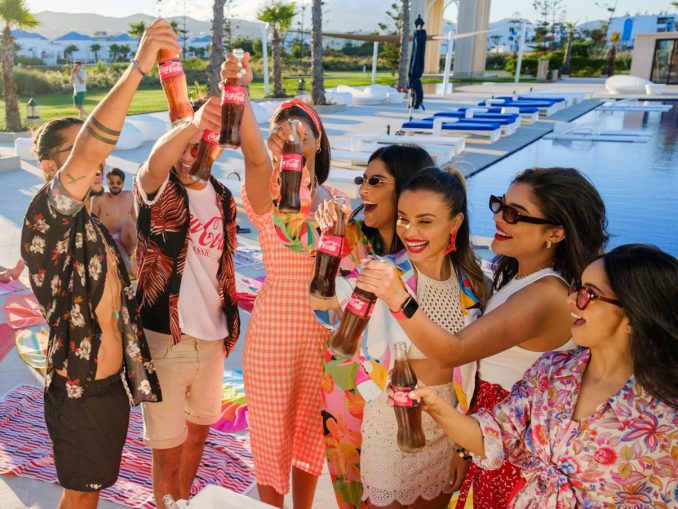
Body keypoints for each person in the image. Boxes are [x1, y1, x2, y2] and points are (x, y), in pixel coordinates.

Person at [357, 167, 608, 508]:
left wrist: (397, 297)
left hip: (511, 442)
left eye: (514, 214)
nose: (499, 218)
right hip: (485, 432)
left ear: (555, 232)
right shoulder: (518, 277)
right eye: (500, 205)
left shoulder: (546, 294)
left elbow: (454, 351)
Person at [20, 20, 175, 509]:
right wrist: (137, 68)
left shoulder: (91, 227)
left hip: (110, 388)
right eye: (78, 153)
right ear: (51, 168)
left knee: (90, 494)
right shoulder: (48, 219)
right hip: (79, 391)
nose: (99, 159)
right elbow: (92, 149)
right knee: (81, 500)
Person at [407, 244, 678, 508]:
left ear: (632, 314)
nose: (571, 299)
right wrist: (432, 403)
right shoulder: (552, 371)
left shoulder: (665, 416)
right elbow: (492, 435)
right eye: (577, 287)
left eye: (589, 294)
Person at [228, 52, 334, 508]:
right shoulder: (266, 192)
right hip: (274, 328)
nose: (292, 139)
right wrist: (241, 90)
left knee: (312, 429)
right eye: (283, 133)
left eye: (301, 134)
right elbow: (252, 154)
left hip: (322, 331)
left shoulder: (336, 200)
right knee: (270, 432)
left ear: (317, 142)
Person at [309, 145, 435, 508]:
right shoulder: (351, 237)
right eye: (362, 179)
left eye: (376, 181)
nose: (363, 190)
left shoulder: (425, 258)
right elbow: (324, 307)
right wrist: (329, 236)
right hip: (342, 393)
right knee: (350, 493)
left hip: (398, 402)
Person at [356, 167, 488, 509]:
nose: (410, 231)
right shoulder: (385, 273)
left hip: (448, 428)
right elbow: (331, 310)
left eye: (425, 221)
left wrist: (463, 447)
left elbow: (476, 375)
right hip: (393, 423)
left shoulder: (474, 285)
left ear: (455, 223)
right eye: (403, 218)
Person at [134, 93, 240, 505]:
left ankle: (183, 501)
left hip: (213, 340)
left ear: (216, 146)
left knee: (197, 438)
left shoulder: (224, 197)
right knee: (167, 451)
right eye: (182, 142)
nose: (186, 154)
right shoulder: (159, 187)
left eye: (198, 144)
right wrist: (192, 124)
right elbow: (154, 164)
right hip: (167, 339)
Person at [92, 168, 137, 269]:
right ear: (107, 183)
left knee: (130, 225)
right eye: (112, 183)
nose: (115, 185)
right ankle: (129, 267)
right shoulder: (99, 199)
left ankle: (138, 253)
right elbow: (92, 222)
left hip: (125, 239)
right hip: (108, 239)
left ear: (123, 183)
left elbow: (134, 217)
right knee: (117, 249)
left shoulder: (129, 196)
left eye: (118, 182)